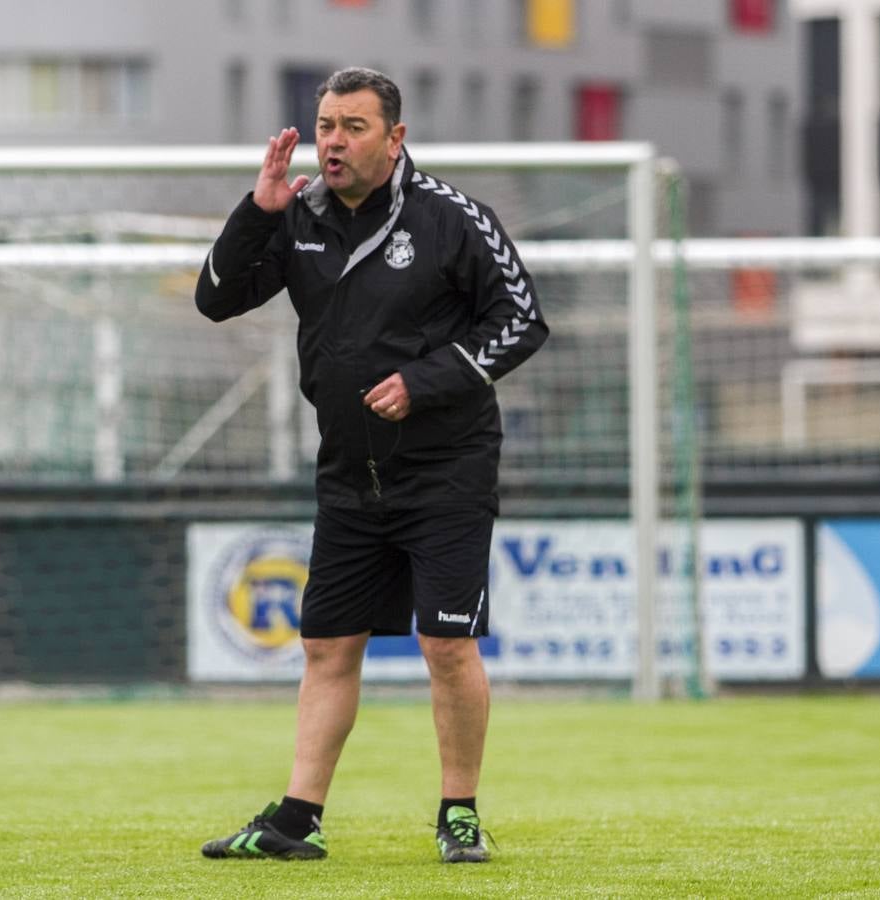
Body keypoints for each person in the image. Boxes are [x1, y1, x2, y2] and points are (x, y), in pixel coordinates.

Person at [194, 67, 549, 863]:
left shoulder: (452, 217)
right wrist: (257, 213)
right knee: (326, 645)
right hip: (349, 475)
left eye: (353, 127)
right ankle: (296, 820)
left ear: (395, 138)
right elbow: (214, 299)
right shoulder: (295, 217)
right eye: (324, 125)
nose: (332, 142)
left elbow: (521, 320)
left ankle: (458, 812)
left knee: (446, 645)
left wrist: (426, 382)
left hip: (445, 469)